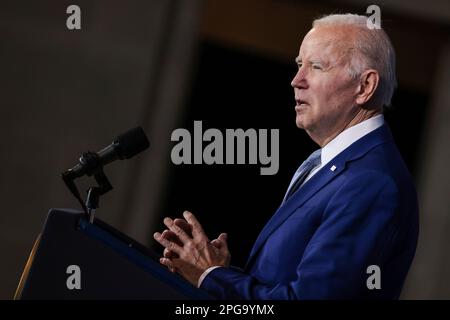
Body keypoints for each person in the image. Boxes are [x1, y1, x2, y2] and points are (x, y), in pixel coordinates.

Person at [153, 13, 419, 299]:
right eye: (298, 65)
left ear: (364, 87)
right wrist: (221, 272)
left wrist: (212, 277)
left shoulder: (372, 182)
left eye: (316, 66)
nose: (296, 80)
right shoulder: (334, 165)